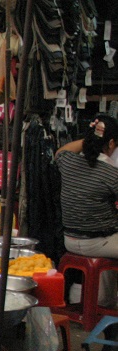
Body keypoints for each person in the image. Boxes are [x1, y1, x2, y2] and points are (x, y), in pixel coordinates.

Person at [55, 114, 118, 306]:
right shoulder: (111, 174)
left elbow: (60, 151)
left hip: (70, 240)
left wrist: (91, 139)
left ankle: (102, 302)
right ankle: (105, 304)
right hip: (98, 242)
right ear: (111, 143)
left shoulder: (68, 162)